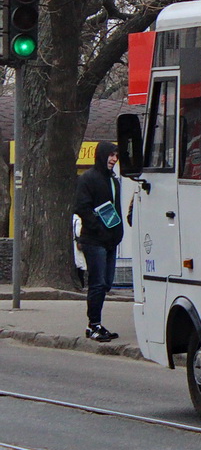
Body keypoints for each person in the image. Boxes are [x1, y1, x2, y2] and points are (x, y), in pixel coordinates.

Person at [74, 141, 123, 342]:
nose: (113, 159)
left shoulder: (114, 180)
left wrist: (117, 232)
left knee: (107, 283)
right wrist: (98, 228)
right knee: (97, 282)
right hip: (94, 240)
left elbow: (115, 208)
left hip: (111, 240)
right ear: (101, 156)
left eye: (116, 156)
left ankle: (97, 324)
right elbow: (81, 207)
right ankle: (93, 325)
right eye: (111, 155)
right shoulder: (88, 179)